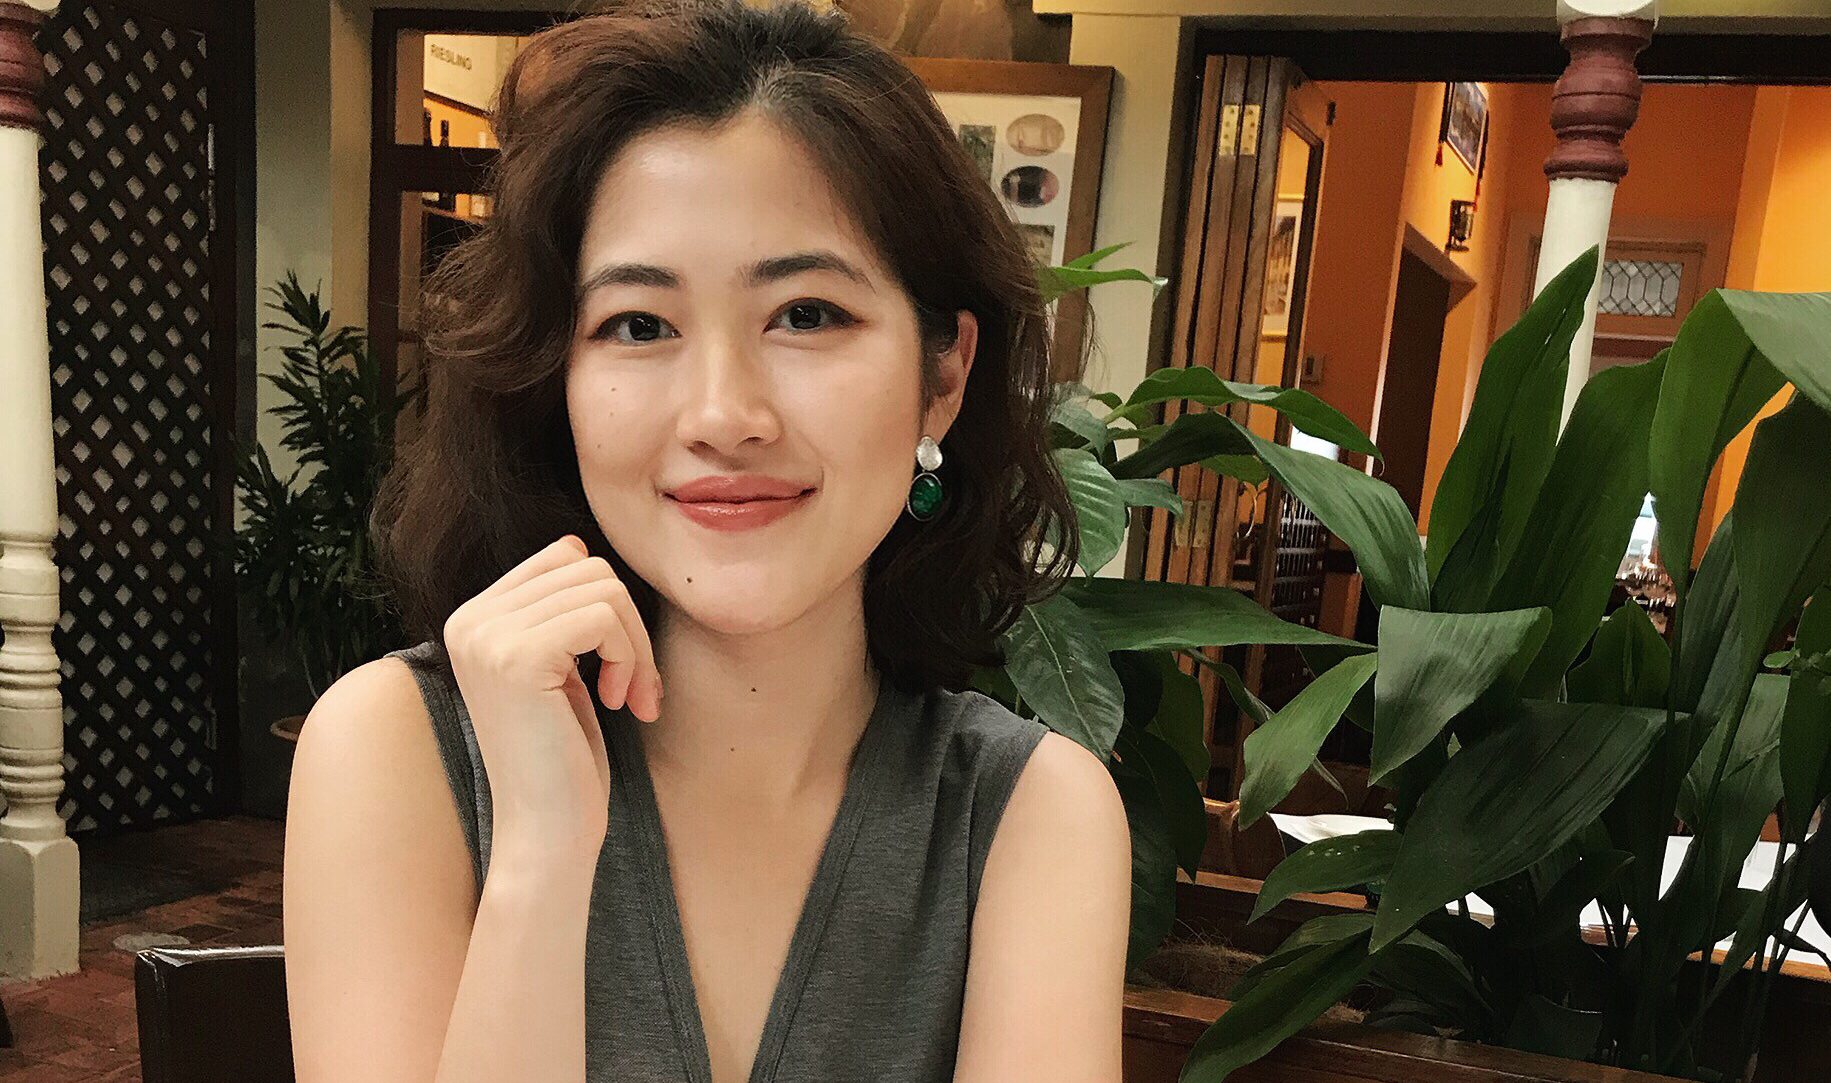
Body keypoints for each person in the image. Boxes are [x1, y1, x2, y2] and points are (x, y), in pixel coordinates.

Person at [282, 1, 1131, 1080]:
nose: (724, 415)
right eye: (639, 325)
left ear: (943, 376)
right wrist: (540, 859)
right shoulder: (394, 752)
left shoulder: (1028, 816)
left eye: (807, 314)